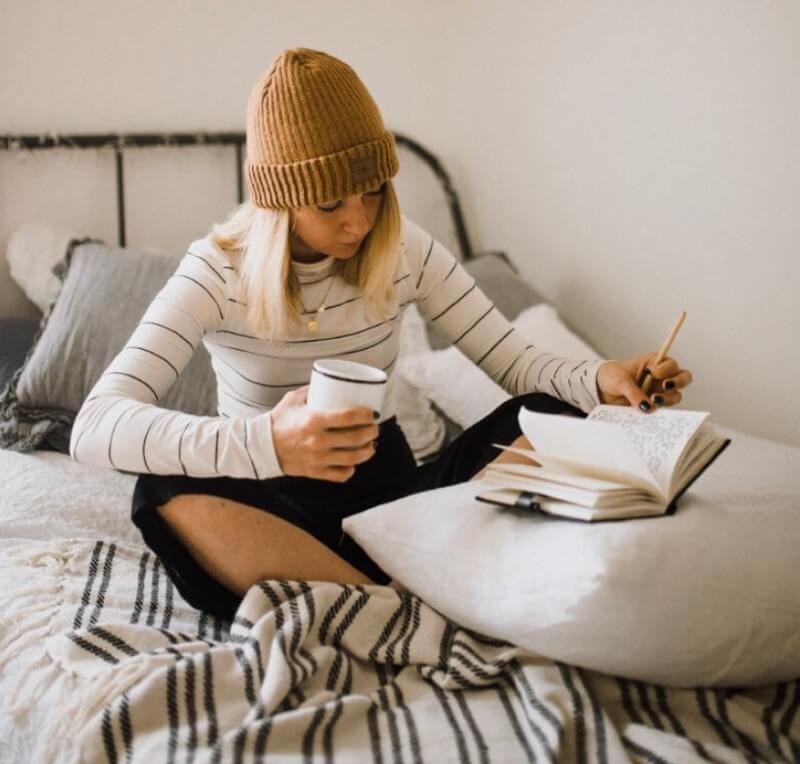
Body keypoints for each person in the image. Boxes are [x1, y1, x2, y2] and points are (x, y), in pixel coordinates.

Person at [70, 47, 692, 621]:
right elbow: (94, 426)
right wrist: (266, 443)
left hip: (399, 510)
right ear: (281, 203)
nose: (359, 222)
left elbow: (517, 362)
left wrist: (598, 379)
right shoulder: (216, 271)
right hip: (273, 519)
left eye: (372, 193)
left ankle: (376, 595)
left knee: (550, 413)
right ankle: (395, 603)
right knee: (160, 489)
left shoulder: (403, 249)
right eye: (331, 205)